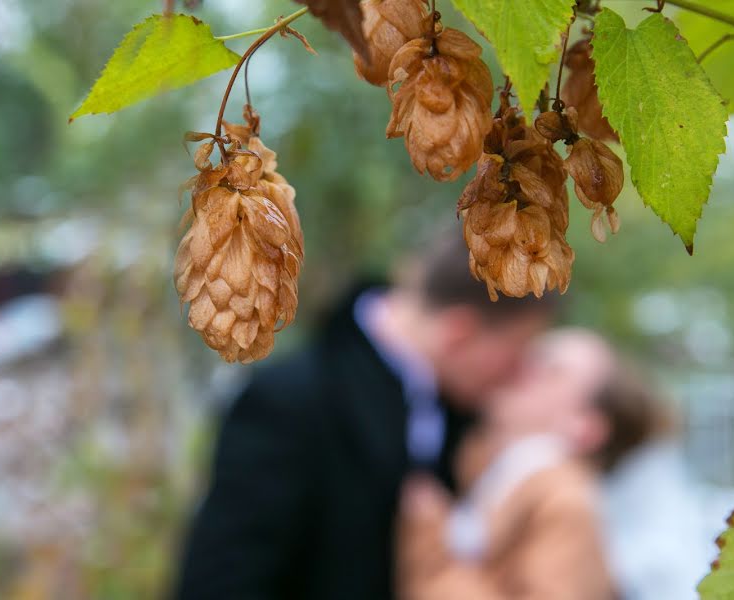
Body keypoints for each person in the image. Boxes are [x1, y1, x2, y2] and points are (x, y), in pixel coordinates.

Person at [174, 235, 556, 600]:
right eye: (516, 352)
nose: (517, 375)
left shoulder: (462, 416)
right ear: (459, 333)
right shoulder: (292, 400)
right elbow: (222, 583)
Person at [396, 329, 681, 600]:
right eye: (528, 356)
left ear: (585, 427)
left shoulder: (568, 506)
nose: (520, 369)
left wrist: (431, 549)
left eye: (551, 371)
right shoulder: (486, 474)